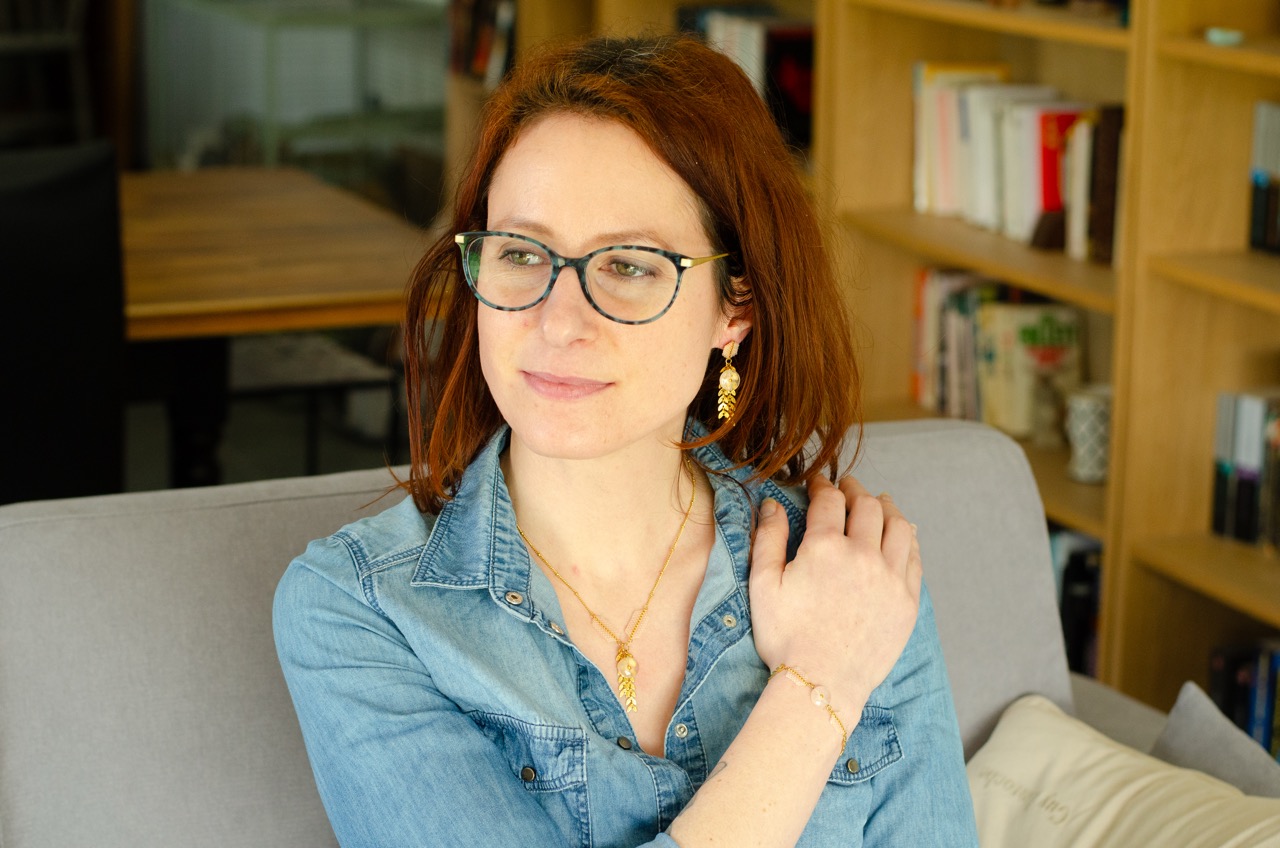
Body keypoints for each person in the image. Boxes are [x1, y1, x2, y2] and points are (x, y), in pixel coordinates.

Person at [273, 34, 978, 847]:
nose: (558, 322)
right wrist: (818, 686)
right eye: (520, 252)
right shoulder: (360, 609)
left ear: (736, 308)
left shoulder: (853, 575)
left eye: (631, 266)